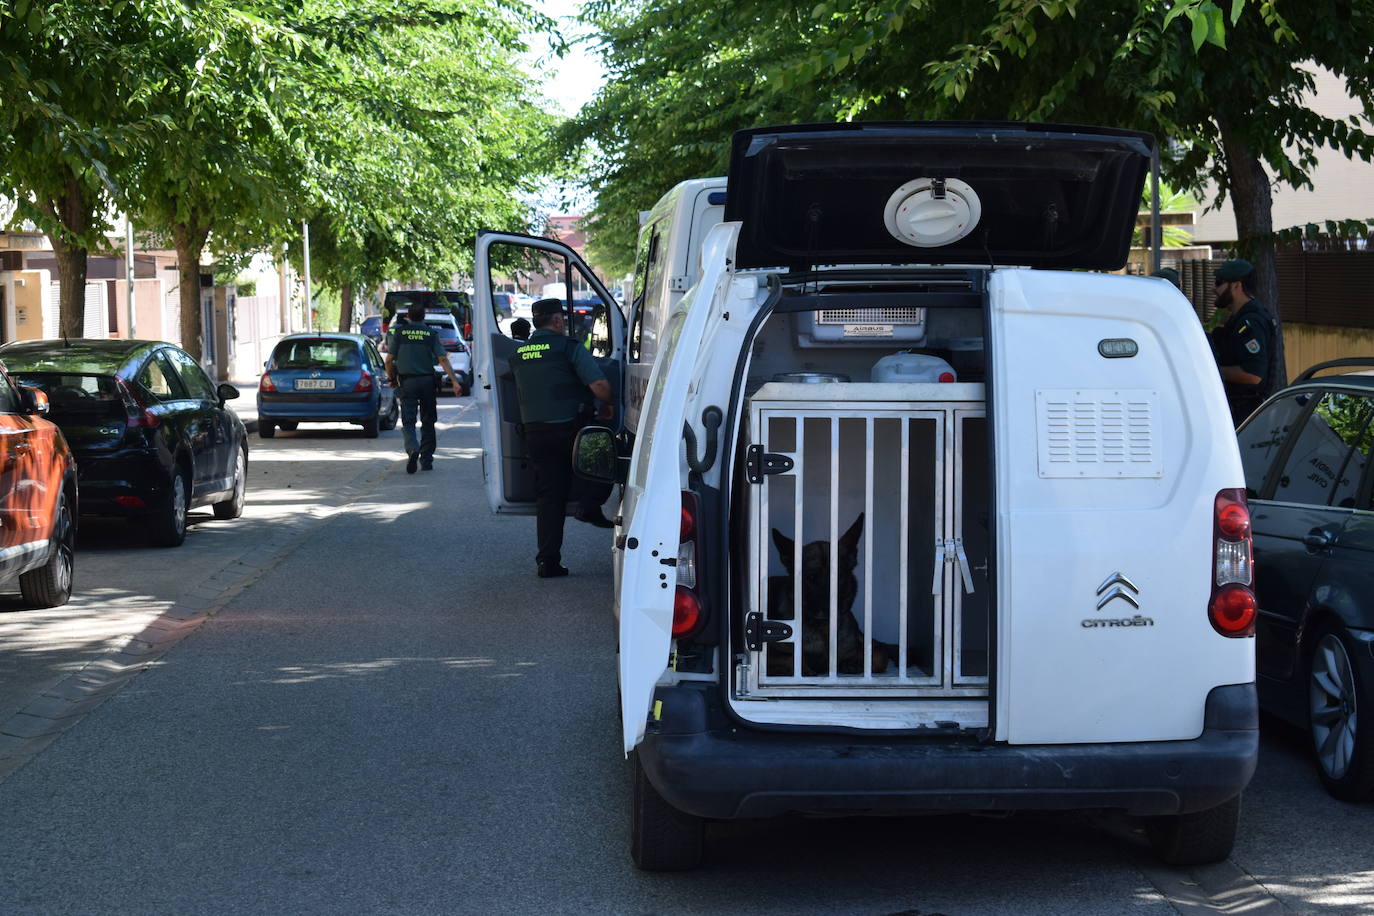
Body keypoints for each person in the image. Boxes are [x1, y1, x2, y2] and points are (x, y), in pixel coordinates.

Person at [510, 298, 616, 578]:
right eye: (562, 318)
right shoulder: (567, 347)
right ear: (557, 321)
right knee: (605, 459)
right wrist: (609, 403)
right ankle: (589, 506)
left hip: (534, 434)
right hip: (570, 429)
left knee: (549, 498)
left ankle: (548, 561)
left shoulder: (519, 354)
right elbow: (599, 384)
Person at [385, 302, 463, 473]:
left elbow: (389, 360)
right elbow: (442, 359)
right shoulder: (430, 334)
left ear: (408, 316)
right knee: (428, 421)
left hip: (407, 383)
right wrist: (455, 381)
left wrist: (391, 378)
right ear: (424, 316)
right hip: (427, 382)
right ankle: (426, 460)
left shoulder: (399, 333)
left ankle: (413, 448)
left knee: (408, 421)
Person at [1208, 258, 1274, 426]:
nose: (1214, 288)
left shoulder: (1251, 322)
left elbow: (1253, 375)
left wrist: (1211, 371)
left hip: (1246, 416)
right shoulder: (1238, 319)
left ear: (1236, 285)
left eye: (1219, 282)